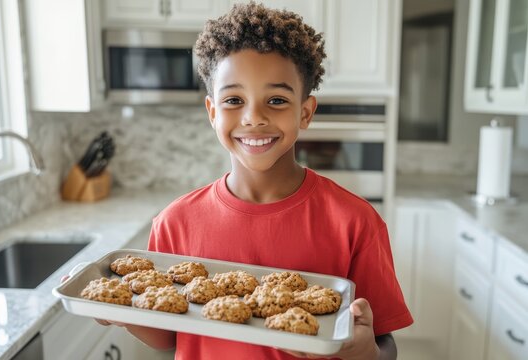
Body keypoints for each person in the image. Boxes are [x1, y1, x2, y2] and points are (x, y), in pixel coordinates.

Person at [102, 3, 413, 359]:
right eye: (234, 99)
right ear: (212, 112)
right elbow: (168, 335)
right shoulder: (175, 223)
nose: (253, 117)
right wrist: (119, 312)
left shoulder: (355, 223)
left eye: (277, 100)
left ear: (306, 112)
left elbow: (384, 342)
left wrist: (363, 352)